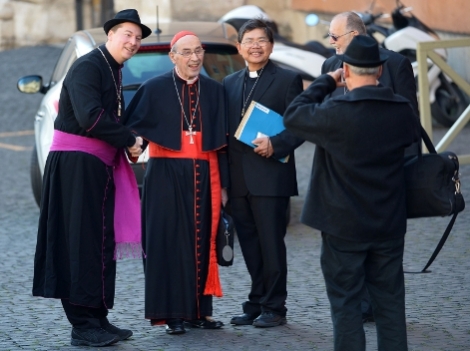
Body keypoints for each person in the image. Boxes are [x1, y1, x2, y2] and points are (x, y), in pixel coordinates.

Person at [284, 35, 420, 351]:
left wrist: (325, 82)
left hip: (342, 225)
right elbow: (411, 135)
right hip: (387, 222)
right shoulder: (400, 109)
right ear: (380, 71)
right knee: (390, 307)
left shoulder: (335, 110)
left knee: (345, 307)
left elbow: (294, 114)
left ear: (345, 70)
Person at [32, 9, 150, 348]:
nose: (133, 41)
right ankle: (82, 325)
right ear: (110, 34)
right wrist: (128, 139)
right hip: (76, 167)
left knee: (100, 242)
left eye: (138, 38)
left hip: (96, 167)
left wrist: (125, 140)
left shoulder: (111, 68)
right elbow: (90, 118)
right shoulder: (88, 65)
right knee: (80, 243)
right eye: (128, 34)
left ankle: (97, 317)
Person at [123, 31, 228, 335]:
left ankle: (200, 311)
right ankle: (173, 314)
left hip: (205, 172)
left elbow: (223, 145)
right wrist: (134, 146)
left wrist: (226, 187)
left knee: (202, 242)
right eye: (187, 52)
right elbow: (135, 133)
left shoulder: (214, 90)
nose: (195, 58)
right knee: (168, 243)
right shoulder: (153, 88)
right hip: (166, 173)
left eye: (199, 51)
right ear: (173, 56)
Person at [322, 11, 420, 322]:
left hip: (385, 178)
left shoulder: (395, 64)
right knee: (351, 248)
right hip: (342, 179)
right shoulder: (329, 67)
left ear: (354, 36)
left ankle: (383, 305)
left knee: (384, 252)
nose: (330, 42)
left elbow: (410, 125)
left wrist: (406, 173)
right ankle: (363, 307)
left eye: (334, 37)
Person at [222, 18, 303, 328]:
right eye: (249, 41)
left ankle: (275, 307)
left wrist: (277, 144)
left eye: (262, 40)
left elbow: (300, 124)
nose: (255, 45)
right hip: (239, 179)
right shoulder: (229, 82)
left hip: (271, 176)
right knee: (251, 246)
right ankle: (256, 301)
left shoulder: (287, 80)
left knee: (271, 244)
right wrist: (224, 183)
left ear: (271, 45)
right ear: (239, 47)